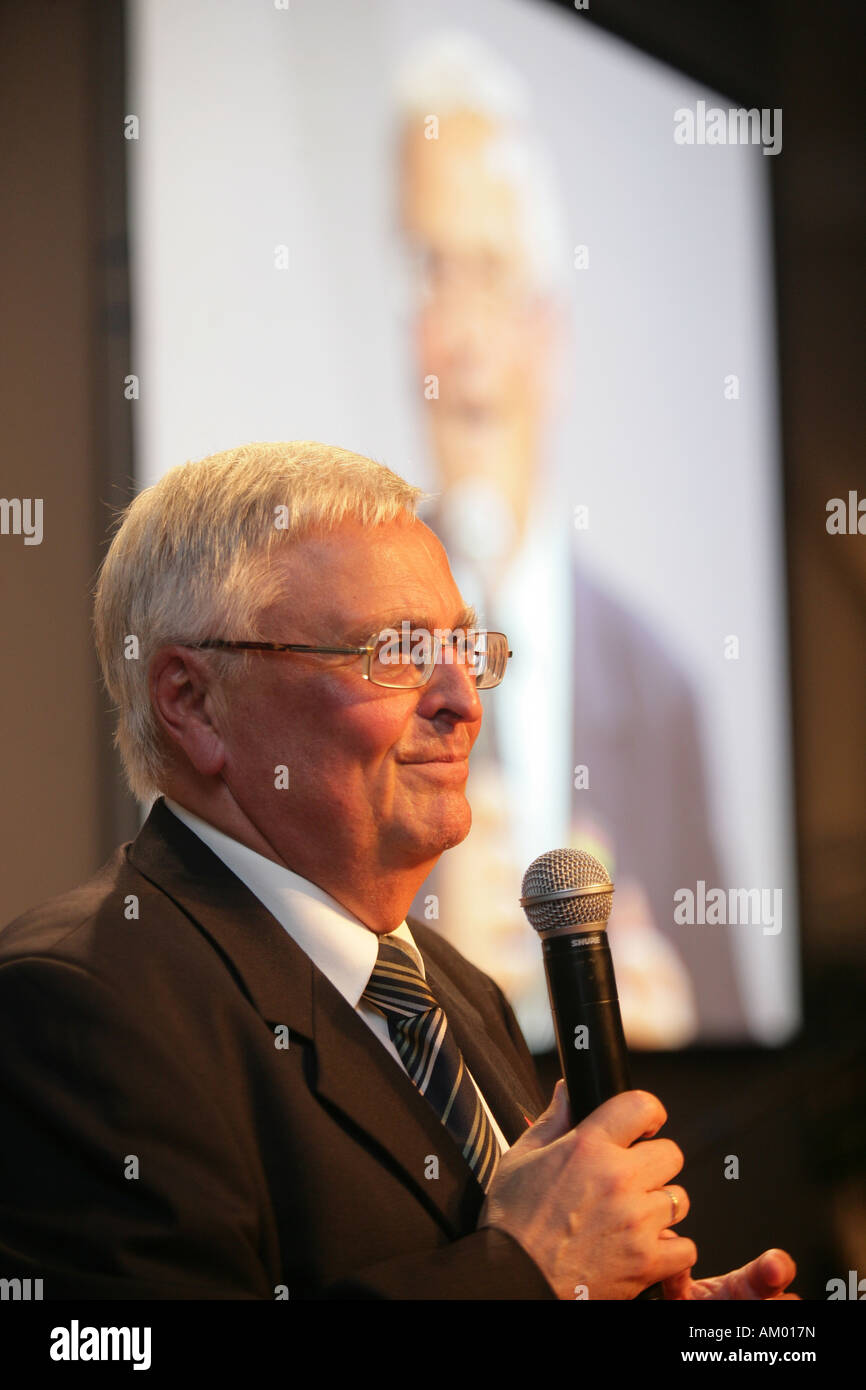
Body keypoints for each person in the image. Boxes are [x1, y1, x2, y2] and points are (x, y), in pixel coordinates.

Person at [0, 441, 796, 1300]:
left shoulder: (451, 987)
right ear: (192, 703)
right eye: (395, 651)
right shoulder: (78, 1008)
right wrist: (524, 1271)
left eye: (466, 647)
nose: (462, 699)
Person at [393, 32, 748, 1048]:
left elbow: (723, 1006)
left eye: (489, 274)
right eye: (431, 272)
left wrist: (672, 1033)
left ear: (551, 333)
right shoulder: (332, 659)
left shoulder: (663, 688)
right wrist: (420, 957)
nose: (458, 332)